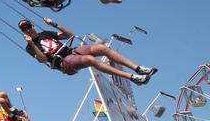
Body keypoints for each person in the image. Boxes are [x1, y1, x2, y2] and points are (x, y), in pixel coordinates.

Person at [18, 17, 156, 83]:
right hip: (63, 63)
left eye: (28, 26)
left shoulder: (45, 33)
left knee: (102, 48)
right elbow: (42, 60)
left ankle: (138, 68)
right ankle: (133, 78)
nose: (28, 29)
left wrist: (54, 24)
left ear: (33, 25)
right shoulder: (30, 47)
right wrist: (32, 44)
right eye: (24, 29)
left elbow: (69, 35)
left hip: (71, 51)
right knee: (90, 60)